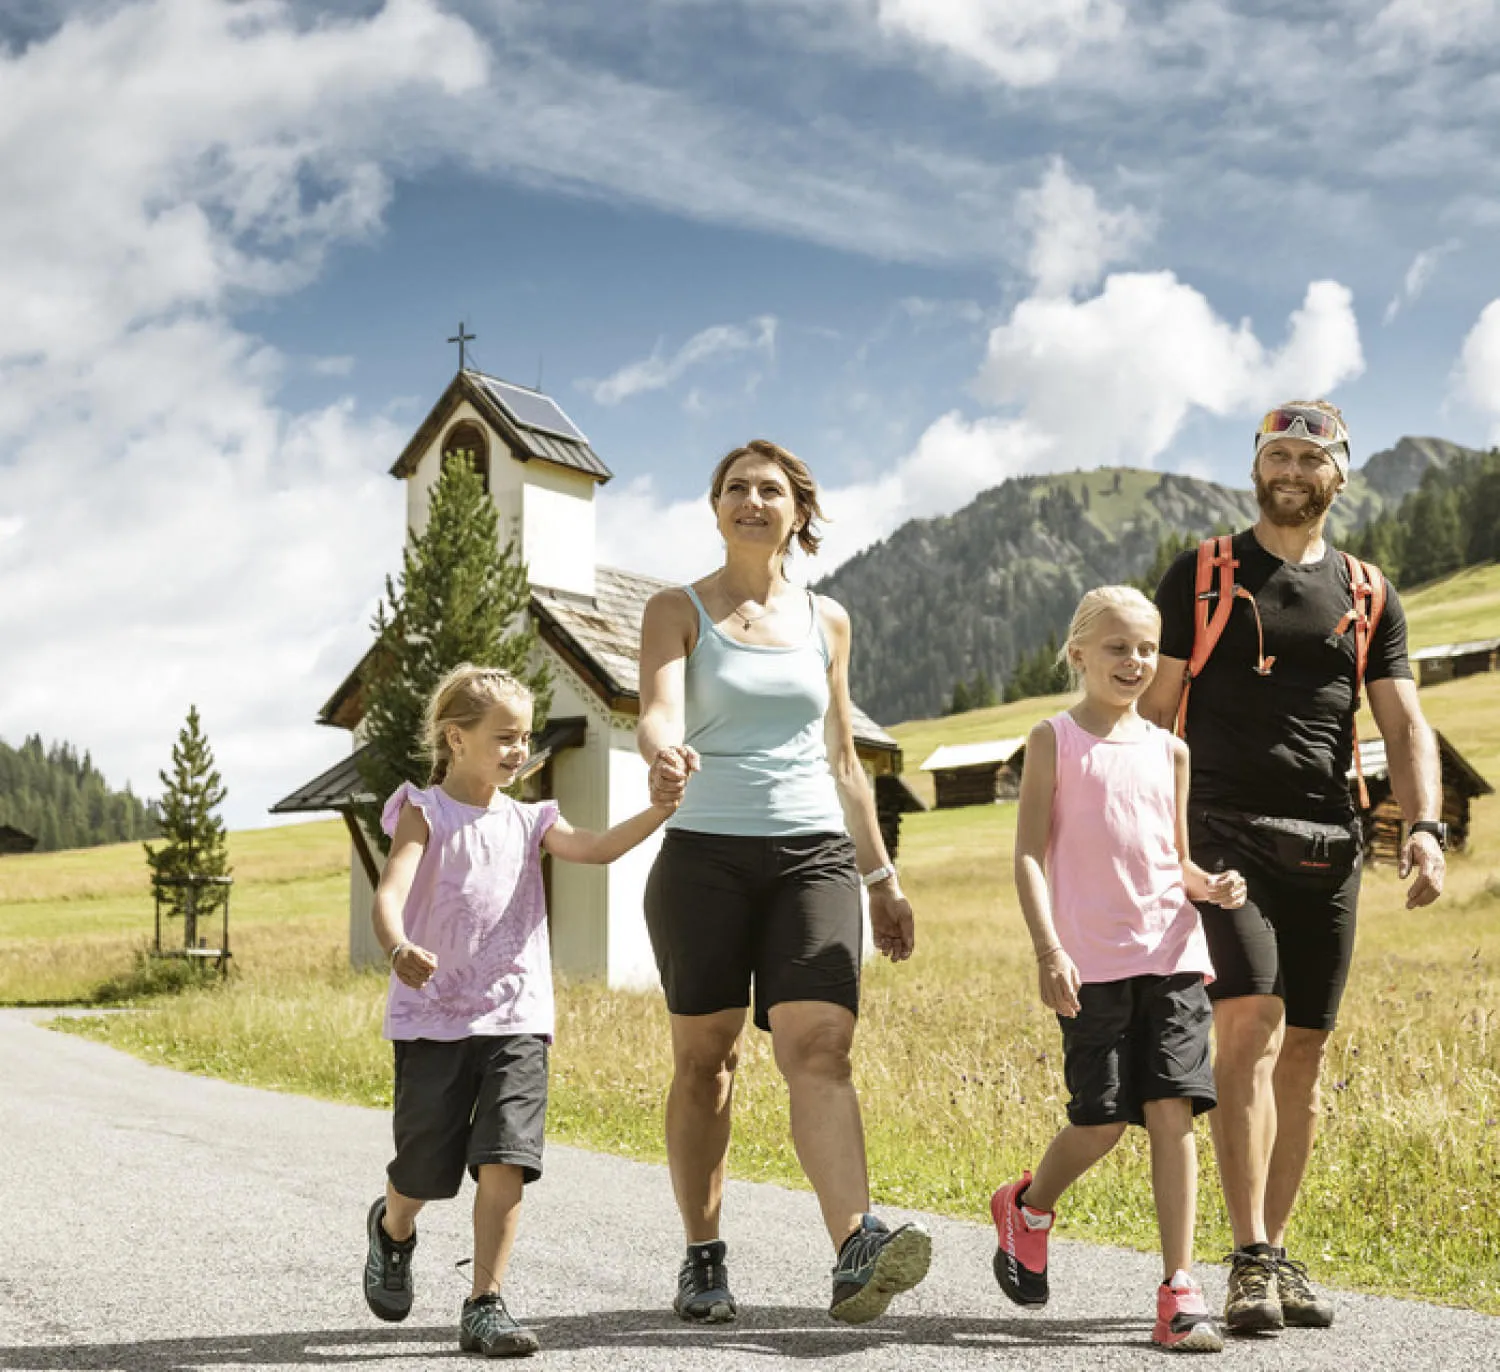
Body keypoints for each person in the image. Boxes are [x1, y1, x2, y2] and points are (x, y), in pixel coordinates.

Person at [1141, 400, 1446, 1334]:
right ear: (1256, 466)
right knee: (1252, 1024)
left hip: (1330, 842)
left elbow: (1401, 721)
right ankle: (1245, 1258)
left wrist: (1424, 826)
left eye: (1310, 457)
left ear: (1338, 476)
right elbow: (1153, 717)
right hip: (1220, 831)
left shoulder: (1367, 592)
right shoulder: (1204, 574)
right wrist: (1149, 846)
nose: (1291, 469)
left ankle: (1272, 1247)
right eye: (1277, 452)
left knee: (1304, 1057)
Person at [636, 438, 930, 1327]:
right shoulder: (675, 608)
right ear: (716, 507)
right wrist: (662, 754)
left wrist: (880, 877)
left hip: (811, 854)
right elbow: (656, 710)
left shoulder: (827, 620)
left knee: (820, 1046)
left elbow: (844, 757)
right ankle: (702, 1253)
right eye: (736, 488)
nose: (752, 501)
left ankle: (855, 1248)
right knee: (706, 1063)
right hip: (704, 856)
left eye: (770, 490)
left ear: (797, 512)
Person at [362, 664, 677, 1359]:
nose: (517, 750)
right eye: (504, 736)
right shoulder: (424, 811)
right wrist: (397, 946)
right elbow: (390, 893)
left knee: (506, 1158)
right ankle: (393, 1227)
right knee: (423, 1169)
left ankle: (486, 1302)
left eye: (525, 738)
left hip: (516, 1018)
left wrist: (657, 809)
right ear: (456, 737)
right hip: (434, 1019)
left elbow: (593, 849)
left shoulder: (532, 817)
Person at [991, 585, 1246, 1353]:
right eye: (1116, 647)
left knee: (1174, 1112)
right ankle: (1029, 1206)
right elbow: (1030, 855)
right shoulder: (1054, 740)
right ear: (1078, 653)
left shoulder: (1171, 750)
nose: (1134, 661)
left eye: (1145, 648)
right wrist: (1048, 948)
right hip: (1090, 965)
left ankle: (1179, 1288)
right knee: (1099, 1119)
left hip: (1172, 955)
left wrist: (1212, 886)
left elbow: (1173, 860)